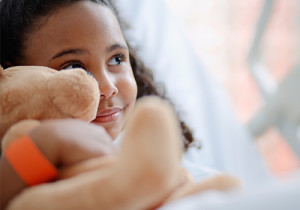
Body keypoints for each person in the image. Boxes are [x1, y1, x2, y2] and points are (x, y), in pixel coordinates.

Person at [0, 0, 195, 208]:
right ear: (16, 75)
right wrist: (45, 144)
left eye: (117, 59)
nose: (108, 87)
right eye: (73, 67)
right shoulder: (22, 149)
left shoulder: (159, 165)